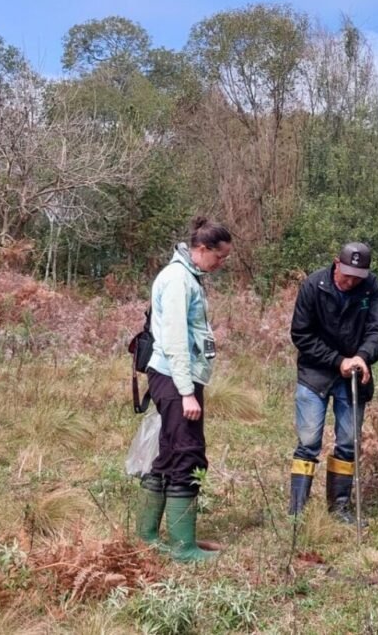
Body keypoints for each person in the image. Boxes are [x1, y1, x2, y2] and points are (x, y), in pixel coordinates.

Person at [136, 216, 232, 562]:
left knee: (169, 452)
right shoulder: (178, 280)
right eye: (219, 257)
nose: (221, 264)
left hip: (176, 378)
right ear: (201, 249)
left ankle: (147, 536)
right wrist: (187, 392)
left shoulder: (188, 277)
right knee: (188, 454)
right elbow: (175, 340)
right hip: (176, 380)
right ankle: (183, 549)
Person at [288, 242, 378, 524]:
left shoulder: (372, 288)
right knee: (309, 442)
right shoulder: (313, 285)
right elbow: (301, 334)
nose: (350, 281)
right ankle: (298, 511)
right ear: (336, 263)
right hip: (314, 373)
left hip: (355, 376)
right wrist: (337, 360)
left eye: (358, 277)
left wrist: (362, 356)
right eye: (346, 275)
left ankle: (340, 509)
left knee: (348, 442)